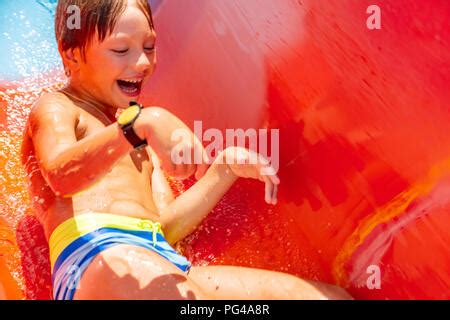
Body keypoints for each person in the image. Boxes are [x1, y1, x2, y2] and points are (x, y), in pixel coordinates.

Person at [21, 0, 351, 300]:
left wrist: (225, 169)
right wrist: (141, 124)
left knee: (328, 298)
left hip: (162, 260)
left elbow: (165, 227)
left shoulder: (139, 142)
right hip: (98, 258)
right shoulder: (59, 107)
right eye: (121, 50)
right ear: (72, 55)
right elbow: (61, 176)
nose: (142, 62)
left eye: (149, 46)